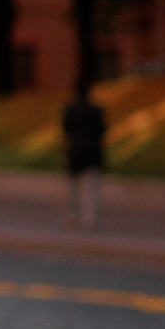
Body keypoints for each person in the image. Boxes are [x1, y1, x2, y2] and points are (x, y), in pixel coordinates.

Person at [62, 79, 108, 231]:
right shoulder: (96, 109)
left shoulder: (70, 109)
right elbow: (102, 131)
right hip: (92, 153)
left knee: (72, 189)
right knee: (90, 188)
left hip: (75, 152)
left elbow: (66, 131)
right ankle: (88, 219)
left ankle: (71, 217)